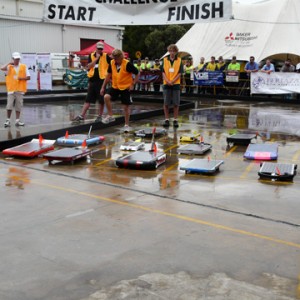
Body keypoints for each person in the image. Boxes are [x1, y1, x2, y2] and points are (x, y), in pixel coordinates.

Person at [100, 49, 139, 132]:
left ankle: (126, 125)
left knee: (126, 107)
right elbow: (108, 76)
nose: (115, 60)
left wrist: (133, 84)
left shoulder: (127, 64)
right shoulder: (112, 63)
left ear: (121, 57)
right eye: (114, 58)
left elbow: (137, 73)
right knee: (106, 97)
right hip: (115, 86)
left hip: (125, 87)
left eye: (116, 58)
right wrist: (103, 87)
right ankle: (111, 116)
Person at [73, 41, 111, 123]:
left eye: (101, 49)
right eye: (98, 49)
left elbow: (112, 64)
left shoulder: (105, 56)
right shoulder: (91, 55)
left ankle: (100, 116)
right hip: (93, 80)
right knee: (88, 99)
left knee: (101, 100)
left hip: (101, 81)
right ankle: (82, 115)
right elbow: (88, 66)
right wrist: (96, 58)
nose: (100, 50)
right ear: (96, 48)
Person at [1, 52, 30, 127]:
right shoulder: (9, 66)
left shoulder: (23, 66)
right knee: (9, 105)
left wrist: (21, 78)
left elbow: (28, 77)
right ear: (13, 59)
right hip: (11, 90)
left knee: (18, 105)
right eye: (15, 59)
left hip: (20, 90)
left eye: (18, 59)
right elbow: (1, 68)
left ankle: (17, 121)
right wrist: (9, 62)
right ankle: (8, 120)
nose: (17, 60)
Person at [161, 44, 183, 128]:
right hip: (166, 83)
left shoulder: (179, 60)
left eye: (174, 51)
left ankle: (175, 120)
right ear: (168, 51)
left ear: (176, 51)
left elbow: (180, 73)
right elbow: (162, 72)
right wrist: (167, 80)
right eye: (170, 51)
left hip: (176, 84)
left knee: (176, 103)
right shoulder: (165, 60)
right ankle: (166, 119)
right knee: (166, 103)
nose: (172, 52)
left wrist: (173, 81)